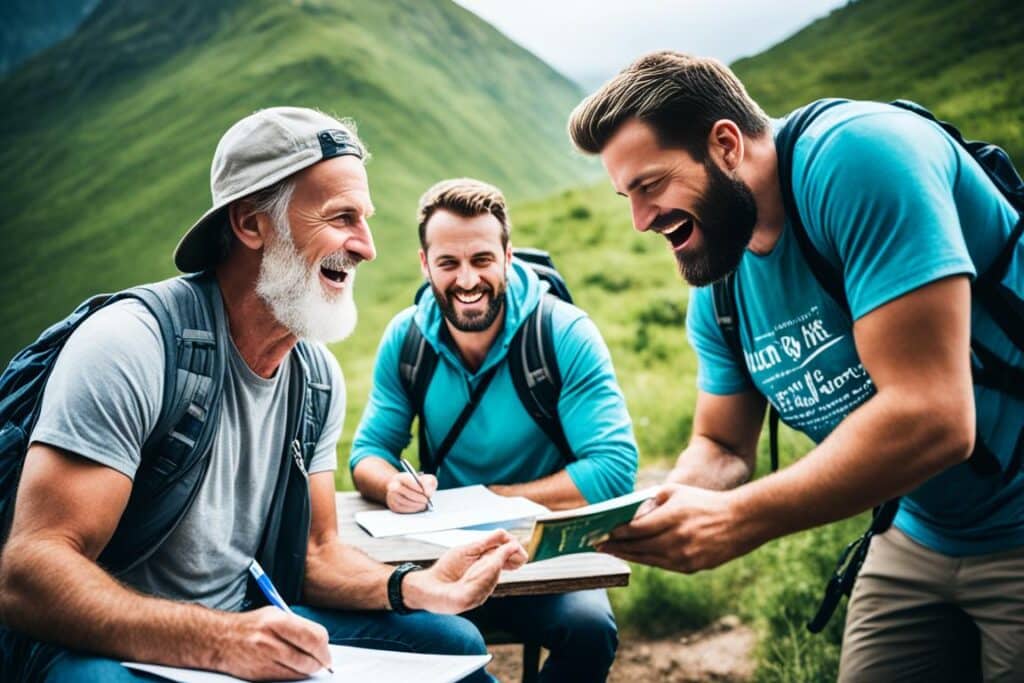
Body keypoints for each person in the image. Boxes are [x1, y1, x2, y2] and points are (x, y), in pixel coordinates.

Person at [0, 108, 527, 683]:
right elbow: (30, 572)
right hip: (109, 648)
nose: (367, 247)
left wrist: (412, 585)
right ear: (251, 224)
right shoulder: (132, 345)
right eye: (341, 218)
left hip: (244, 626)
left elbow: (316, 554)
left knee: (451, 642)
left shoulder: (315, 377)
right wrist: (219, 640)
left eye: (365, 219)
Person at [567, 51, 1024, 681]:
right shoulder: (721, 280)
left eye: (650, 186)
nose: (640, 220)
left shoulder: (858, 159)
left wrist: (738, 519)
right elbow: (722, 442)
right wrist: (670, 505)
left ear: (725, 145)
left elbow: (936, 416)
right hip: (915, 530)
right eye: (626, 196)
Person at [349, 177, 639, 682]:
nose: (466, 280)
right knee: (423, 644)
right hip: (440, 557)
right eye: (448, 263)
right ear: (425, 265)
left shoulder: (564, 334)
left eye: (482, 260)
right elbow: (369, 452)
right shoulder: (406, 339)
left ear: (508, 256)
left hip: (542, 557)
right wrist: (390, 484)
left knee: (591, 630)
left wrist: (491, 500)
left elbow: (614, 470)